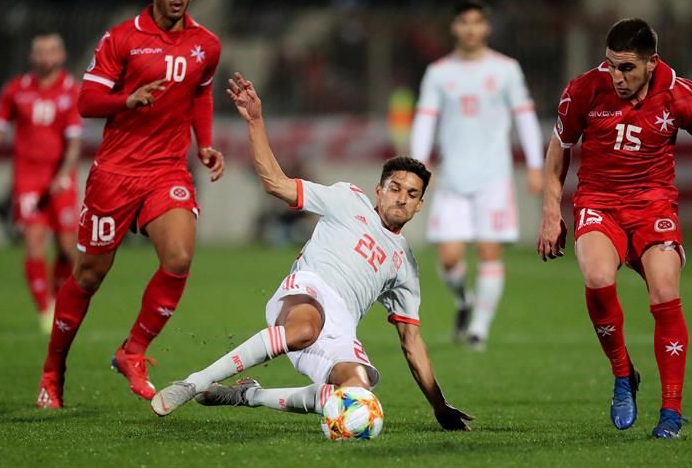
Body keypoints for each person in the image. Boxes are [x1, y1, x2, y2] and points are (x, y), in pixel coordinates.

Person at [151, 74, 473, 432]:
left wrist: (438, 404)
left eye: (411, 194)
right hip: (307, 292)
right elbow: (276, 183)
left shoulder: (405, 267)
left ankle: (249, 396)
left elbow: (411, 342)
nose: (401, 197)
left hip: (340, 328)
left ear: (418, 206)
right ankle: (194, 382)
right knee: (305, 327)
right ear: (378, 191)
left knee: (357, 392)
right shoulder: (347, 199)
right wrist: (256, 122)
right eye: (395, 188)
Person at [536, 18, 692, 439]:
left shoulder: (682, 94)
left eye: (627, 68)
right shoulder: (583, 89)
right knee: (598, 277)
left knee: (665, 292)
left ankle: (670, 412)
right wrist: (551, 212)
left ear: (652, 63)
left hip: (653, 206)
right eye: (611, 65)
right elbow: (559, 148)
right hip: (599, 202)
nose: (616, 77)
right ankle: (623, 374)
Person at [36, 0, 224, 409]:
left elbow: (201, 92)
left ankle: (133, 350)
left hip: (167, 170)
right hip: (115, 174)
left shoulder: (207, 44)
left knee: (179, 257)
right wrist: (126, 99)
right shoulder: (123, 38)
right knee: (89, 275)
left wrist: (204, 143)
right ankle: (53, 369)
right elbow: (86, 101)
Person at [410, 0, 544, 350]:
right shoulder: (439, 72)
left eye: (476, 22)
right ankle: (465, 302)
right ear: (455, 27)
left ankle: (479, 328)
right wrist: (417, 168)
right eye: (463, 22)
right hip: (453, 177)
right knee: (450, 257)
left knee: (489, 252)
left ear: (486, 26)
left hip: (493, 178)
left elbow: (525, 117)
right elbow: (425, 121)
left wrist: (535, 164)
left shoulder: (506, 69)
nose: (470, 29)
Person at [0, 32, 81, 333]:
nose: (46, 57)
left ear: (61, 56)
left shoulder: (71, 91)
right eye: (40, 51)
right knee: (34, 242)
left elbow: (74, 142)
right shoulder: (15, 90)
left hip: (60, 179)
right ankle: (45, 311)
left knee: (66, 248)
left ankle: (59, 300)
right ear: (32, 57)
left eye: (52, 51)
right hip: (28, 180)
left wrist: (64, 172)